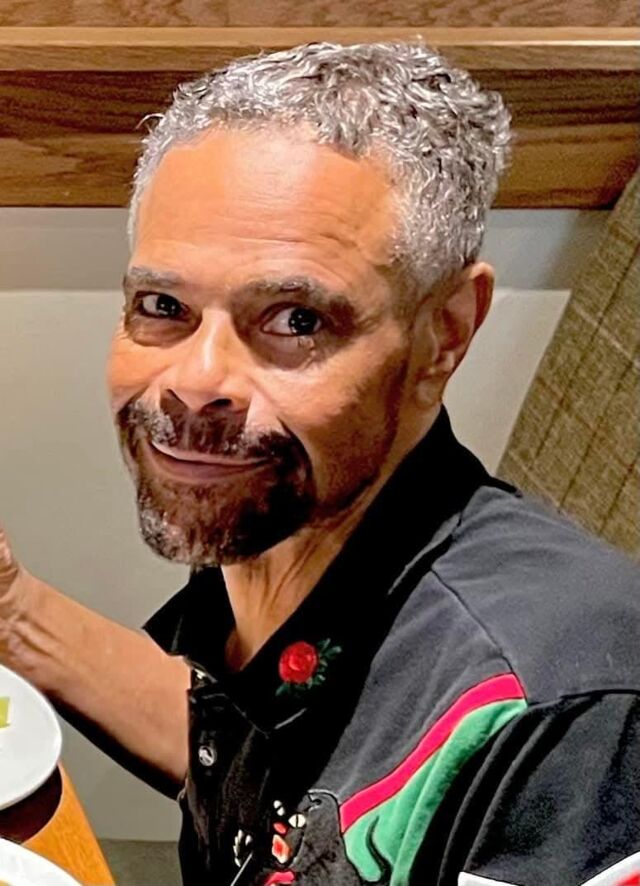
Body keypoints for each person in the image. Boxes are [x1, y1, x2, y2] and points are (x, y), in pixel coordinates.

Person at [0, 40, 639, 886]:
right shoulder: (285, 521)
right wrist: (12, 610)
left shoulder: (560, 721)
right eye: (163, 305)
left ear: (444, 334)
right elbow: (265, 777)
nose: (195, 383)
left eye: (296, 320)